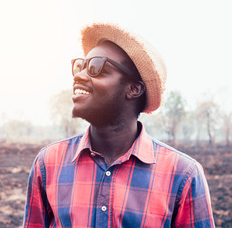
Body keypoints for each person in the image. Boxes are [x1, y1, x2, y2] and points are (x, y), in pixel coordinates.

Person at [23, 23, 215, 227]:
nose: (79, 76)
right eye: (80, 66)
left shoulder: (183, 175)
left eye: (97, 67)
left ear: (133, 89)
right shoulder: (48, 163)